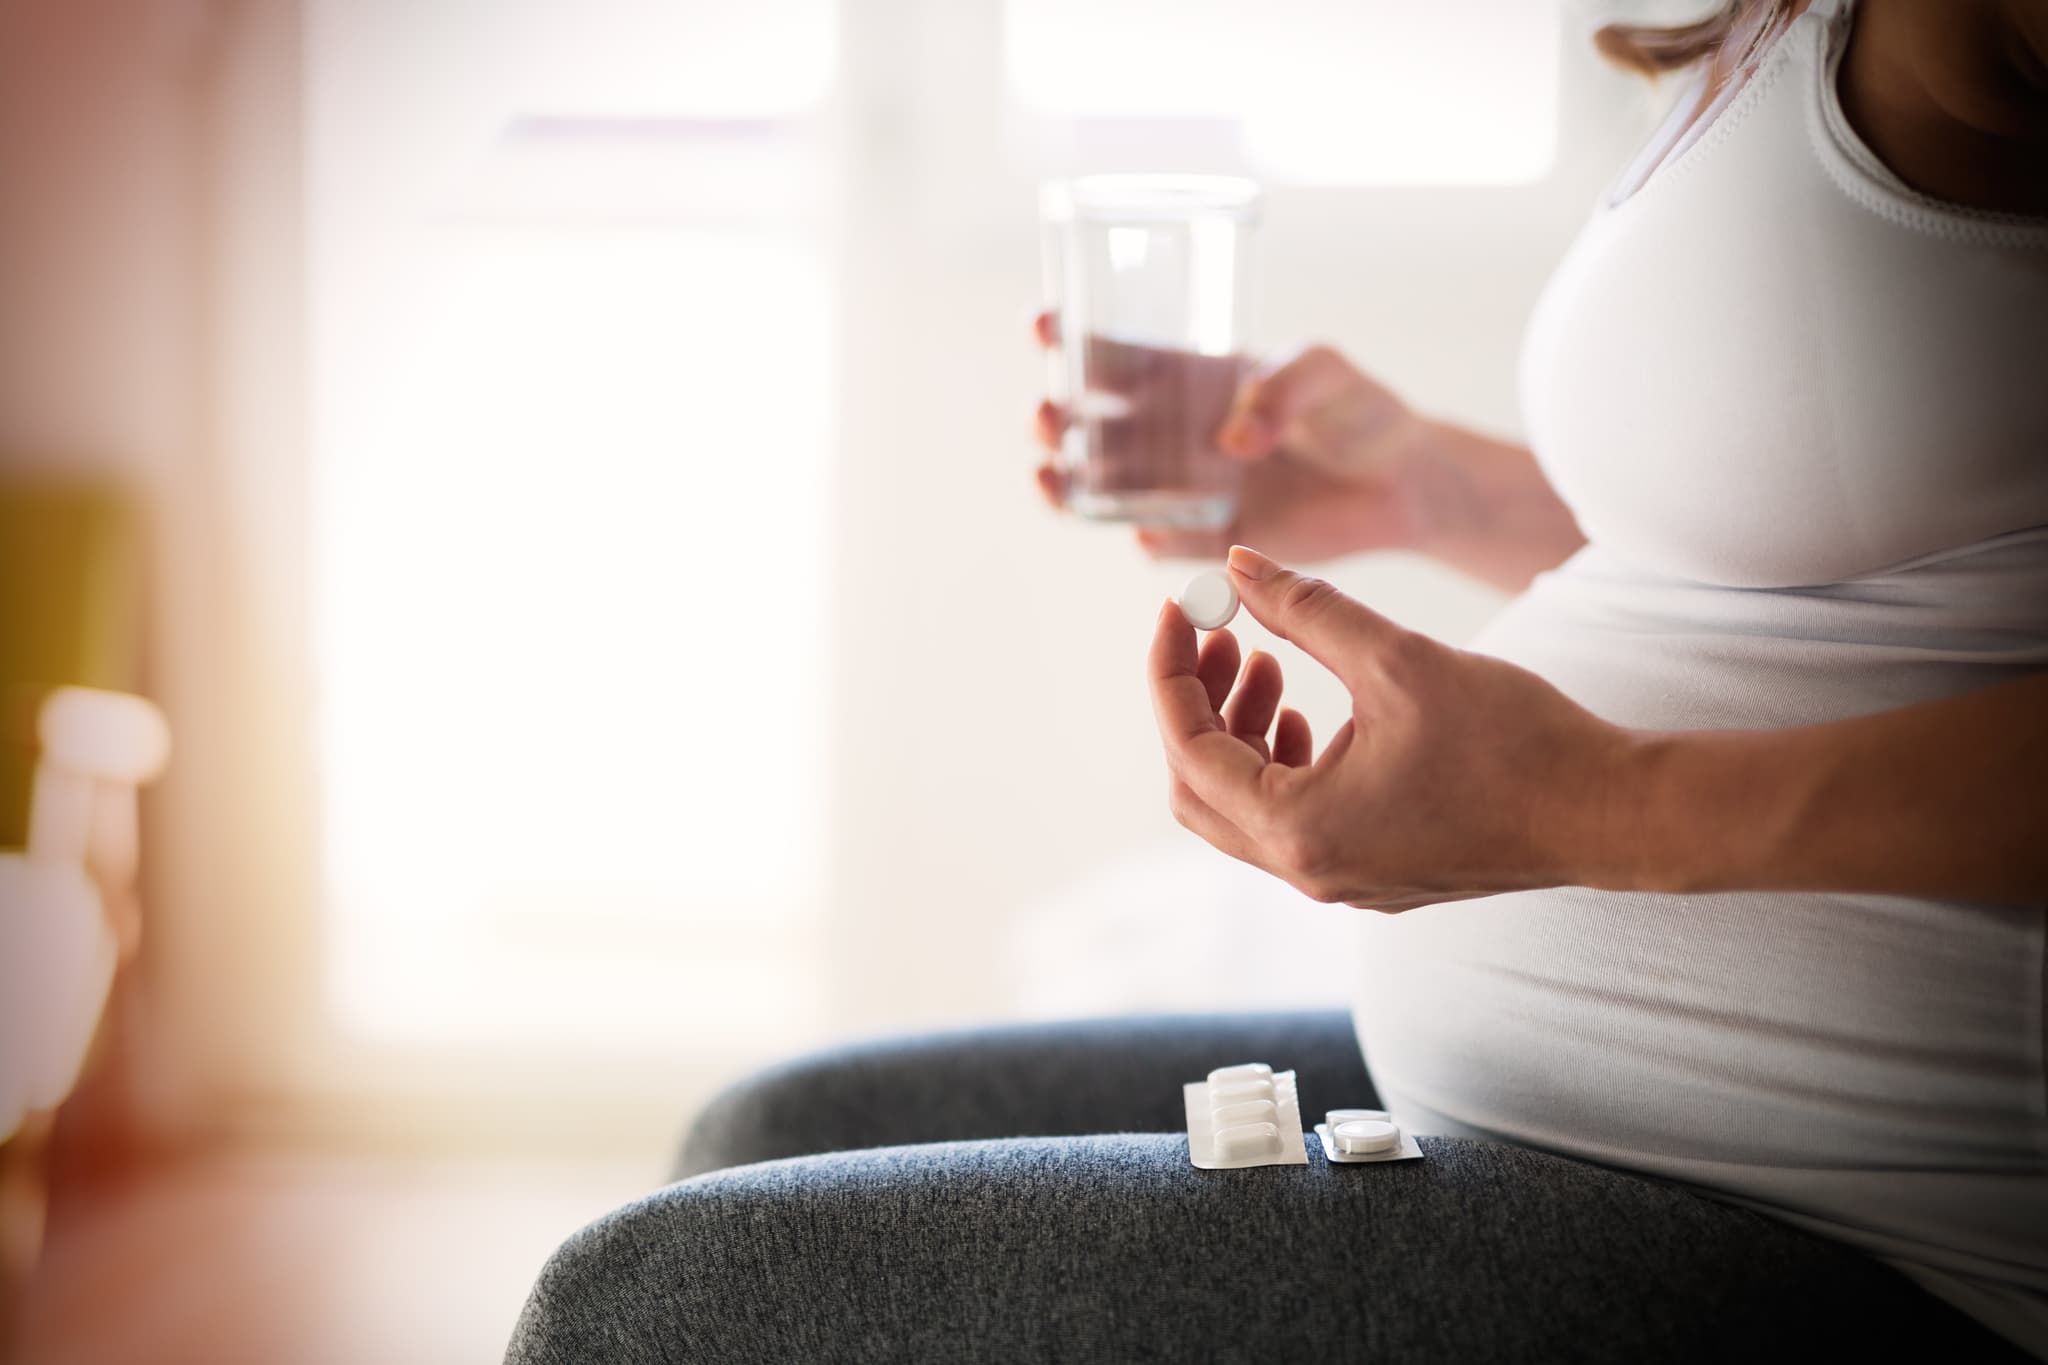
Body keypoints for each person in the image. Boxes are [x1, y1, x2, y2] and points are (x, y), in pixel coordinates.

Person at [508, 1, 2047, 1359]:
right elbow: (1842, 559)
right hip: (1577, 1110)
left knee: (639, 1310)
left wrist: (1588, 802)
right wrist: (1433, 493)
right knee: (766, 1126)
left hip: (1878, 1230)